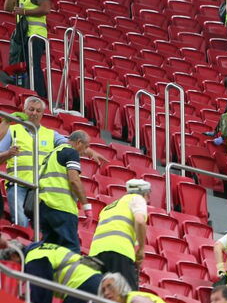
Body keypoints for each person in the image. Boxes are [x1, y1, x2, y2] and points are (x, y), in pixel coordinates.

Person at [0, 97, 104, 227]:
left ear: (43, 113)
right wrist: (8, 153)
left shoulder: (51, 134)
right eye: (31, 109)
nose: (34, 113)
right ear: (24, 110)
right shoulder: (12, 130)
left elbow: (71, 145)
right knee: (21, 221)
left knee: (40, 226)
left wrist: (90, 151)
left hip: (40, 187)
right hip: (18, 184)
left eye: (38, 111)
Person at [20, 240, 106, 303]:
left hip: (82, 284)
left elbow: (41, 295)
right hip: (98, 282)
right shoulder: (46, 248)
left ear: (15, 256)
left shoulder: (34, 256)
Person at [89, 179, 150, 290]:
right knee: (127, 297)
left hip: (95, 253)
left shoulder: (108, 207)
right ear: (144, 193)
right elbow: (140, 221)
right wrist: (141, 249)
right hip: (119, 252)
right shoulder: (137, 199)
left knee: (103, 295)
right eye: (148, 195)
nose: (148, 199)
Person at [37, 130, 91, 251]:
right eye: (85, 147)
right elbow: (74, 181)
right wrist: (86, 206)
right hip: (62, 207)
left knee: (50, 248)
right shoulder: (71, 152)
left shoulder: (52, 153)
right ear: (78, 142)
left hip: (45, 206)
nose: (84, 152)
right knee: (71, 249)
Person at [4, 0, 51, 96]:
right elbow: (7, 8)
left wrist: (24, 11)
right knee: (25, 67)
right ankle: (28, 94)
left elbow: (46, 9)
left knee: (33, 67)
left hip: (35, 36)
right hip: (24, 37)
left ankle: (40, 96)